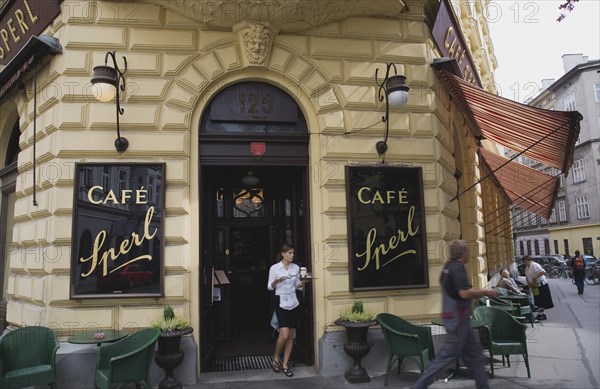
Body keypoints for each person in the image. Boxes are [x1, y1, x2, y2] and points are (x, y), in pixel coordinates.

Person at [411, 240, 499, 389]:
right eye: (467, 251)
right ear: (461, 253)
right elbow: (463, 293)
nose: (469, 254)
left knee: (476, 356)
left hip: (457, 319)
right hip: (459, 321)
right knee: (445, 357)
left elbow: (449, 288)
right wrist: (486, 292)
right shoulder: (457, 268)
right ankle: (419, 386)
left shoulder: (447, 268)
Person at [267, 243, 308, 377]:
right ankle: (276, 357)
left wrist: (303, 282)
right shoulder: (275, 268)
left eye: (293, 253)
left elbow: (298, 286)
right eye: (290, 253)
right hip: (281, 301)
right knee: (284, 335)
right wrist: (277, 281)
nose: (292, 255)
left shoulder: (296, 268)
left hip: (294, 302)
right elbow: (269, 287)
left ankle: (285, 365)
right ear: (283, 254)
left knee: (291, 336)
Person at [522, 255, 554, 320]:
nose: (525, 264)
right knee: (538, 300)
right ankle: (542, 314)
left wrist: (535, 277)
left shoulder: (535, 265)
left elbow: (543, 272)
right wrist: (529, 284)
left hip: (541, 284)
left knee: (541, 300)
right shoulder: (527, 267)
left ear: (529, 260)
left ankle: (541, 314)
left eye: (526, 262)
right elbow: (527, 276)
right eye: (524, 262)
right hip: (535, 286)